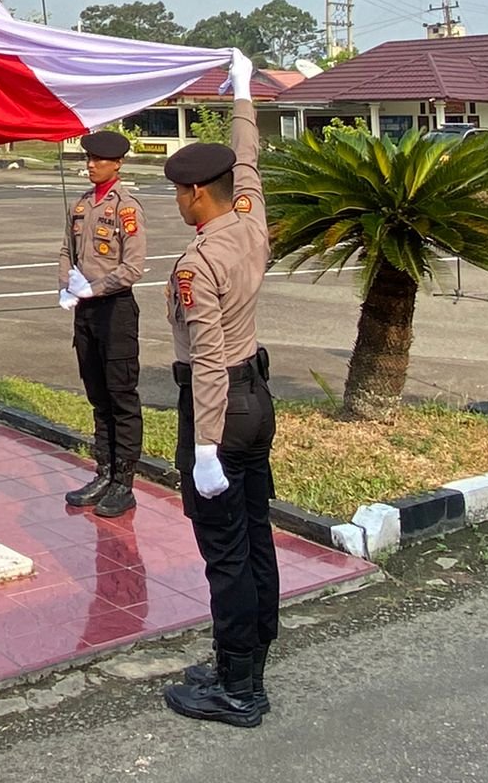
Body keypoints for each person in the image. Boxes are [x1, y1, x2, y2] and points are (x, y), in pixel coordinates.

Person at [160, 49, 278, 729]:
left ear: (197, 193)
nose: (175, 201)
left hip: (221, 411)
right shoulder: (249, 220)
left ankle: (238, 689)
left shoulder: (199, 260)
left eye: (178, 192)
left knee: (226, 553)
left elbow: (205, 359)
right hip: (256, 401)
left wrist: (203, 446)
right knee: (255, 534)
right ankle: (253, 652)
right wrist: (241, 93)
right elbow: (250, 160)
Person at [58, 130, 146, 516]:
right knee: (97, 395)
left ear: (117, 164)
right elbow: (67, 250)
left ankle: (124, 482)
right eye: (88, 159)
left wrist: (94, 288)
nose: (90, 165)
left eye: (98, 160)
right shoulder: (80, 206)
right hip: (86, 310)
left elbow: (133, 267)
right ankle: (104, 472)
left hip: (115, 310)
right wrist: (68, 285)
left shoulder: (126, 208)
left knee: (120, 397)